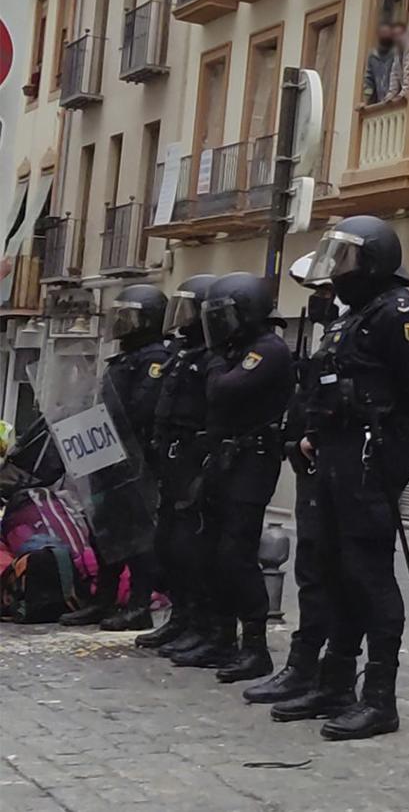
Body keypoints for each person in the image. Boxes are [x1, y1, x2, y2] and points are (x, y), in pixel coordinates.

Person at [291, 215, 409, 740]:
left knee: (369, 577)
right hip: (336, 460)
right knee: (333, 571)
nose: (339, 271)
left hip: (367, 466)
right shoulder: (351, 317)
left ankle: (379, 698)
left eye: (348, 259)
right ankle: (334, 683)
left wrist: (394, 459)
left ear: (375, 261)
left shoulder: (398, 315)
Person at [245, 258, 345, 706]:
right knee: (311, 572)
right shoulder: (332, 336)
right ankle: (304, 667)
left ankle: (334, 675)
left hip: (346, 472)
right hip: (314, 469)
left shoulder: (365, 333)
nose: (318, 300)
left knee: (342, 578)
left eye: (325, 291)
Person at [197, 272, 296, 684]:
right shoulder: (240, 349)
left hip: (253, 462)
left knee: (237, 552)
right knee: (215, 550)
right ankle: (221, 637)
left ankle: (254, 646)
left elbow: (224, 390)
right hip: (226, 459)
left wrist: (217, 362)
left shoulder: (267, 350)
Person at [60, 284, 173, 631]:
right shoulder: (123, 359)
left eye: (130, 316)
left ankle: (138, 605)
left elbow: (139, 409)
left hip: (135, 461)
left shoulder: (156, 359)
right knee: (104, 531)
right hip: (105, 456)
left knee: (137, 537)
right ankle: (102, 599)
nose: (123, 324)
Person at [143, 275, 221, 664]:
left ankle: (203, 624)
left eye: (191, 309)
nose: (183, 318)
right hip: (171, 456)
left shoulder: (213, 357)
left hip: (194, 454)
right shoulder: (181, 352)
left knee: (193, 548)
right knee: (169, 545)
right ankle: (181, 617)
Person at [363, 19, 409, 105]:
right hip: (382, 100)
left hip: (401, 100)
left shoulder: (400, 51)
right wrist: (366, 100)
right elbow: (369, 81)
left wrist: (400, 94)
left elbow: (406, 72)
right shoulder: (373, 56)